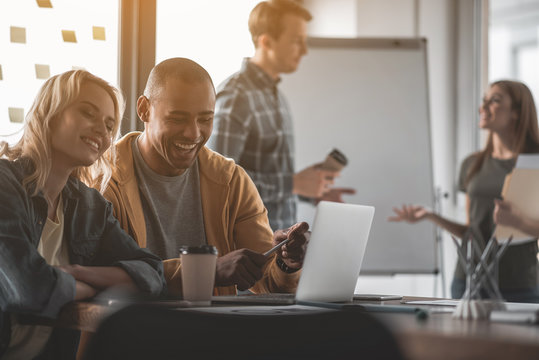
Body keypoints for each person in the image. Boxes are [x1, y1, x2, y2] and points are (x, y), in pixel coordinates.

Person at [103, 57, 309, 298]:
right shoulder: (105, 179)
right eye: (177, 118)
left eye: (205, 119)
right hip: (135, 330)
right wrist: (205, 270)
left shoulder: (232, 181)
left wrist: (286, 263)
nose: (193, 133)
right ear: (144, 109)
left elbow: (268, 282)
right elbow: (105, 275)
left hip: (214, 331)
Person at [0, 70, 165, 359]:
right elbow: (29, 287)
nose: (102, 131)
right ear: (50, 112)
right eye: (88, 113)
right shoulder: (4, 186)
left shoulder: (90, 206)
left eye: (110, 124)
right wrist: (88, 288)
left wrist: (77, 273)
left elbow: (152, 274)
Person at [208, 0, 355, 231]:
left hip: (280, 247)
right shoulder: (236, 97)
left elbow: (272, 180)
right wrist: (293, 184)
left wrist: (311, 192)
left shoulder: (278, 98)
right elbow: (218, 183)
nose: (305, 50)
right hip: (248, 251)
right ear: (266, 41)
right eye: (297, 41)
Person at [389, 80, 539, 302]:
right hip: (468, 281)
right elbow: (472, 231)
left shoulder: (534, 163)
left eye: (495, 100)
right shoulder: (472, 164)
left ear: (517, 112)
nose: (483, 107)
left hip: (518, 284)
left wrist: (518, 222)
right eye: (483, 100)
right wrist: (431, 215)